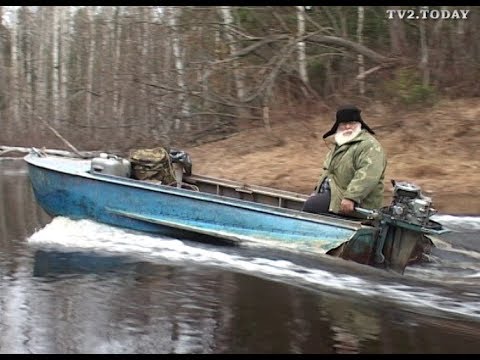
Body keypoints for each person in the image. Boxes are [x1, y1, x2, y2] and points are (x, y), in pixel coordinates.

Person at [302, 105, 387, 217]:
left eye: (351, 123)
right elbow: (328, 172)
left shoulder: (369, 146)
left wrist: (351, 197)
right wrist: (316, 191)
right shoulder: (339, 145)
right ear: (338, 126)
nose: (347, 127)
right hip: (334, 194)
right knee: (312, 202)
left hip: (358, 204)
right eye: (343, 124)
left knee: (311, 206)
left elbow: (368, 175)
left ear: (359, 125)